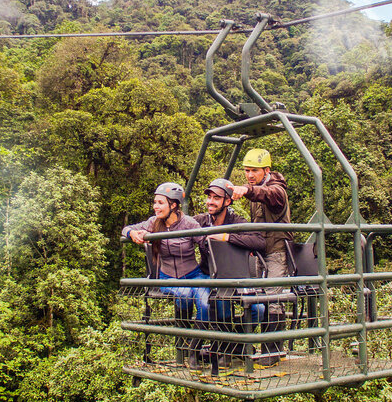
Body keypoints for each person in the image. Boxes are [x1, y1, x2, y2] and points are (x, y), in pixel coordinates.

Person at [122, 182, 212, 356]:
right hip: (168, 276)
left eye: (160, 203)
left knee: (204, 303)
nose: (156, 206)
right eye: (155, 202)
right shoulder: (154, 223)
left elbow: (207, 243)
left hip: (193, 274)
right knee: (184, 295)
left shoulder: (189, 224)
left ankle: (194, 348)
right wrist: (132, 234)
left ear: (173, 205)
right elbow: (127, 228)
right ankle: (183, 344)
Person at [193, 178, 266, 328]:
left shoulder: (236, 222)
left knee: (258, 309)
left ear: (227, 202)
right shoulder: (201, 221)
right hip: (209, 275)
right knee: (220, 304)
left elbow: (259, 241)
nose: (210, 202)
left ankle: (237, 341)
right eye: (209, 197)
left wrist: (227, 237)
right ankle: (224, 344)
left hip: (235, 275)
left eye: (216, 198)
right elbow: (178, 225)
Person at [230, 148, 293, 278]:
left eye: (255, 170)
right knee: (257, 294)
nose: (250, 175)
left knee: (272, 295)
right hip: (260, 251)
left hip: (276, 252)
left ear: (267, 170)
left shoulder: (277, 191)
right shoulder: (254, 191)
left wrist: (247, 190)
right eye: (247, 170)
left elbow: (266, 193)